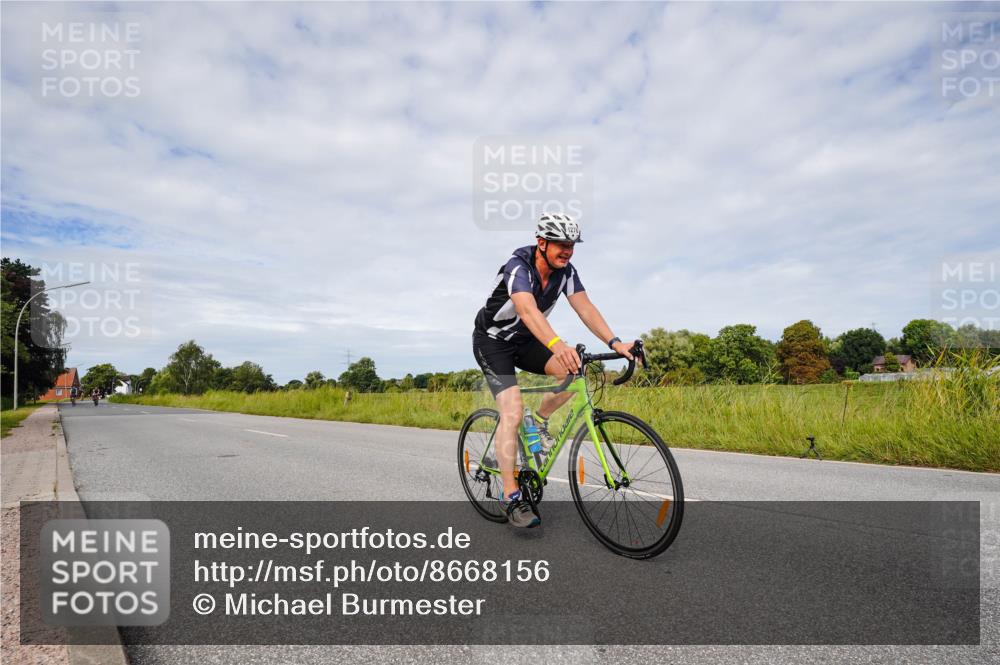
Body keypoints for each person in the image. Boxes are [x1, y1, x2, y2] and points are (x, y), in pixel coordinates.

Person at [473, 213, 634, 528]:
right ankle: (511, 497)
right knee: (513, 411)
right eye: (560, 244)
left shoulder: (567, 273)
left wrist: (615, 342)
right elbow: (527, 310)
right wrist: (559, 345)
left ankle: (541, 423)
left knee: (572, 372)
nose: (567, 251)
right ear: (541, 243)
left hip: (526, 341)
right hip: (493, 343)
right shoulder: (518, 266)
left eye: (571, 245)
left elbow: (585, 307)